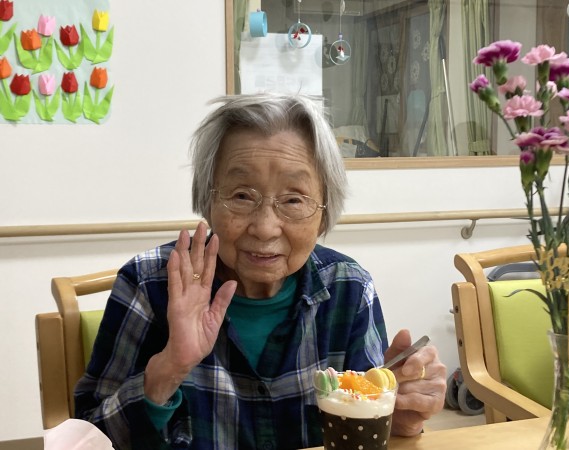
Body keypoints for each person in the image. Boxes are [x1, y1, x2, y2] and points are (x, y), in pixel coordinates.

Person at [75, 93, 447, 449]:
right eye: (241, 195)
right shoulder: (148, 284)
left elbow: (366, 422)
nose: (265, 228)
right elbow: (87, 436)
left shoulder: (348, 288)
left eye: (293, 200)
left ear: (324, 213)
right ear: (208, 199)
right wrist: (170, 367)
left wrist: (402, 418)